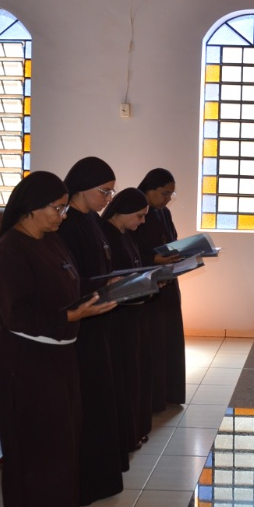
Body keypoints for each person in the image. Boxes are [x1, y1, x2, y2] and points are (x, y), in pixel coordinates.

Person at [0, 171, 116, 507]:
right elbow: (17, 314)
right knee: (35, 449)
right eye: (57, 209)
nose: (62, 216)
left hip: (58, 356)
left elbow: (67, 283)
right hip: (27, 361)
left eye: (64, 208)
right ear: (30, 208)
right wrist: (74, 313)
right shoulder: (10, 250)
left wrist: (104, 288)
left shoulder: (49, 238)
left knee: (62, 442)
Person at [57, 156, 126, 505]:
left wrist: (113, 281)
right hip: (81, 326)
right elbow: (67, 278)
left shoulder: (92, 220)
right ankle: (87, 481)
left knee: (101, 398)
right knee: (88, 401)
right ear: (81, 189)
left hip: (99, 318)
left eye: (112, 192)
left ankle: (102, 478)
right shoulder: (67, 224)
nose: (109, 199)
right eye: (105, 192)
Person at [100, 187, 153, 453]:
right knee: (125, 374)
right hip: (118, 317)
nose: (142, 222)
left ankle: (136, 428)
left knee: (136, 372)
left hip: (135, 312)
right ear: (124, 211)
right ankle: (127, 432)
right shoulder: (105, 233)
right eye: (140, 216)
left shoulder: (126, 233)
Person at [133, 168, 186, 410]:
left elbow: (170, 241)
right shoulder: (137, 211)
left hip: (168, 281)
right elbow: (132, 249)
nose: (167, 199)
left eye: (171, 195)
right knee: (154, 340)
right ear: (149, 189)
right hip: (148, 283)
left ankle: (170, 393)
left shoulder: (164, 213)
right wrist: (155, 260)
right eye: (165, 193)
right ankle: (154, 397)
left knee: (170, 337)